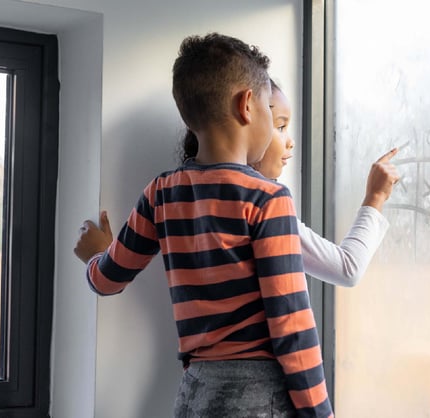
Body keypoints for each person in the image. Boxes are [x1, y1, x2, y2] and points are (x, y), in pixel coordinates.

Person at [74, 33, 333, 417]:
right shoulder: (268, 199)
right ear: (247, 105)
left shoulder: (161, 193)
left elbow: (106, 280)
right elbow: (291, 323)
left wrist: (98, 255)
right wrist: (321, 412)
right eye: (267, 106)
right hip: (257, 394)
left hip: (195, 392)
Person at [180, 79, 400, 286]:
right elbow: (347, 268)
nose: (290, 142)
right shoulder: (264, 205)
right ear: (248, 122)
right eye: (281, 127)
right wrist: (376, 197)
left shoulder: (181, 194)